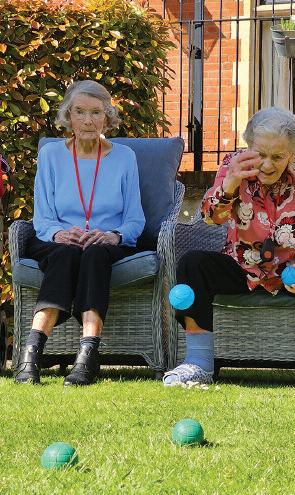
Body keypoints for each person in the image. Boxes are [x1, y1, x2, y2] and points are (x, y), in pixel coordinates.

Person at [163, 107, 295, 392]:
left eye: (278, 157)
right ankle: (198, 363)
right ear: (249, 146)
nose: (267, 165)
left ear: (293, 153)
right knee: (193, 263)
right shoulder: (233, 165)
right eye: (260, 155)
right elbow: (210, 217)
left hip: (294, 271)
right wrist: (230, 183)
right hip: (242, 268)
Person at [15, 80, 145, 386]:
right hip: (56, 240)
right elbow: (42, 217)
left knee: (95, 253)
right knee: (66, 253)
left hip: (107, 242)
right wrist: (59, 234)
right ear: (68, 116)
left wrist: (114, 235)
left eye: (96, 112)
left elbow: (135, 220)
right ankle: (31, 353)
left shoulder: (125, 157)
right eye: (80, 112)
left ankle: (87, 355)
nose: (88, 120)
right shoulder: (51, 154)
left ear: (107, 117)